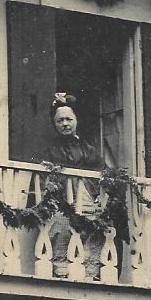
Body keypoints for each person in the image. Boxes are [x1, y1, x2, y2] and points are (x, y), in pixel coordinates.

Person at [45, 93, 106, 281]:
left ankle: (91, 271)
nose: (65, 124)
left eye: (68, 119)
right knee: (61, 226)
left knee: (94, 226)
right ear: (54, 124)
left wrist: (97, 194)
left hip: (86, 195)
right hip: (61, 199)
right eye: (60, 120)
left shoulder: (88, 148)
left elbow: (101, 171)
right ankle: (61, 270)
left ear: (76, 121)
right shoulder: (51, 148)